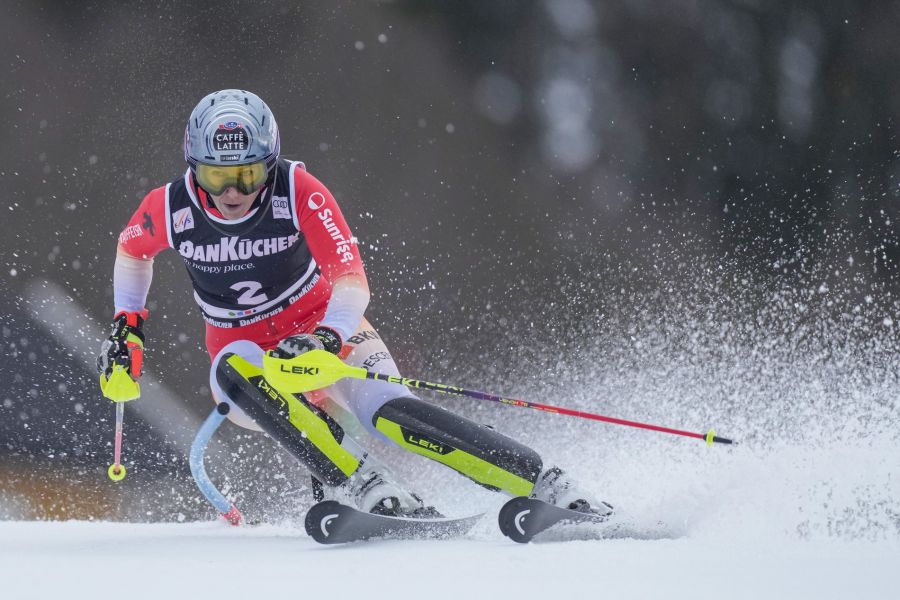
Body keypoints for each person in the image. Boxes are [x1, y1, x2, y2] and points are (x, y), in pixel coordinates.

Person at [97, 89, 611, 518]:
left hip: (325, 332)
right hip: (251, 362)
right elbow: (132, 251)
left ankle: (545, 482)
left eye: (248, 175)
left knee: (393, 416)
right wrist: (128, 324)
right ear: (194, 168)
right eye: (217, 176)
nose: (233, 192)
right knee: (235, 370)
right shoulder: (169, 206)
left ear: (269, 165)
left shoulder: (298, 189)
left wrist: (327, 337)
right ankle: (361, 481)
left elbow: (352, 279)